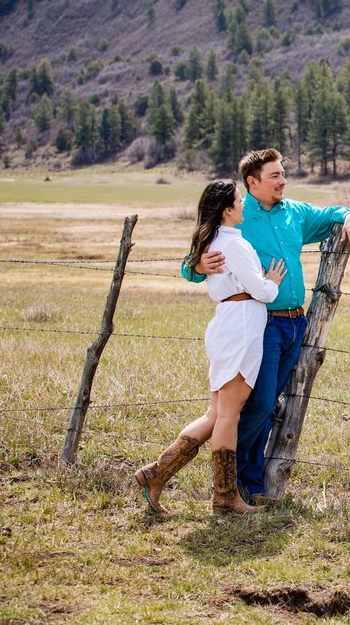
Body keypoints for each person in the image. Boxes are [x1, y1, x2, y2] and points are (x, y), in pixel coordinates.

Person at [184, 149, 350, 504]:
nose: (283, 181)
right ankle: (233, 484)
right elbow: (191, 264)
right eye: (275, 176)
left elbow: (331, 213)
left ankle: (251, 486)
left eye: (283, 174)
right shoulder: (235, 216)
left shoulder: (293, 212)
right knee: (261, 402)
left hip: (295, 325)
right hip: (261, 325)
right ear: (252, 183)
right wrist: (197, 266)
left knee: (272, 403)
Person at [137, 179, 287, 515]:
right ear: (226, 209)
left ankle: (155, 473)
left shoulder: (218, 240)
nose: (244, 203)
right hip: (241, 327)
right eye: (238, 199)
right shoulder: (232, 244)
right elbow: (260, 291)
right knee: (229, 415)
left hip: (229, 324)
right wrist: (272, 283)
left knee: (216, 413)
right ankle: (225, 498)